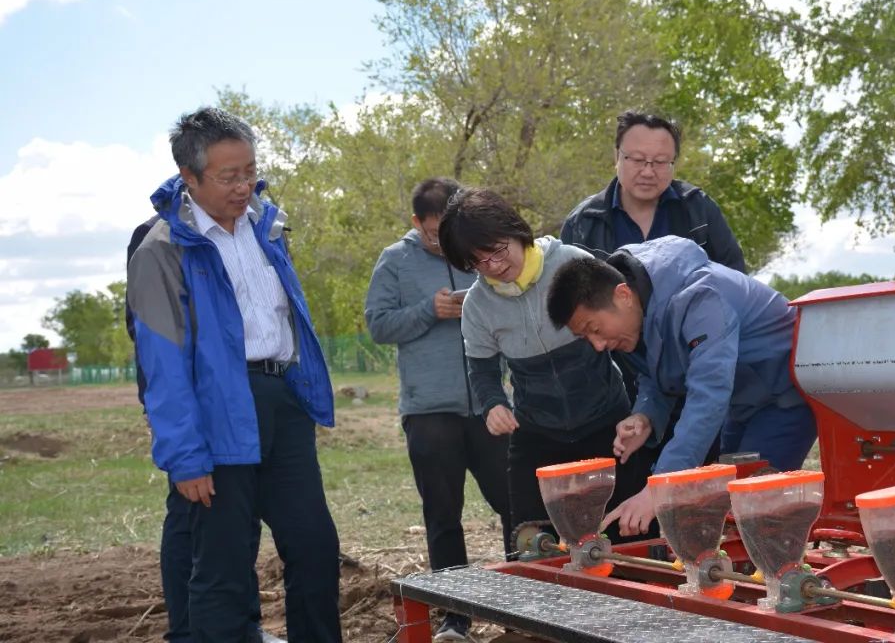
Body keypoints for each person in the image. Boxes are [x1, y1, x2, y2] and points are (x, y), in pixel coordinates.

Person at [128, 107, 341, 642]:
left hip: (280, 399)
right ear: (190, 178)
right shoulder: (162, 249)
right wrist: (185, 456)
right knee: (224, 567)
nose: (244, 185)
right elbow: (163, 366)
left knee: (314, 546)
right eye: (228, 176)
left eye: (249, 170)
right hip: (216, 411)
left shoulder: (267, 227)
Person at [546, 235, 818, 538]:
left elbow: (709, 392)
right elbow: (655, 373)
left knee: (754, 508)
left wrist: (660, 488)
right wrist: (645, 416)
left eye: (595, 330)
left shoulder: (700, 296)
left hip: (783, 397)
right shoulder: (642, 306)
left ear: (623, 295)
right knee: (726, 502)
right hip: (742, 404)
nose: (598, 345)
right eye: (587, 338)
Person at [438, 187, 649, 543]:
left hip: (606, 420)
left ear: (515, 230)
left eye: (497, 250)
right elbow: (482, 369)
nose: (494, 266)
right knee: (528, 540)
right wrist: (492, 404)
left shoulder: (572, 263)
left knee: (629, 532)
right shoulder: (477, 306)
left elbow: (626, 339)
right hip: (538, 430)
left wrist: (640, 411)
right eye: (478, 262)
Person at [365, 177, 512, 643]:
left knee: (516, 504)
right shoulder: (394, 261)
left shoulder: (482, 252)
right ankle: (455, 617)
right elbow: (378, 325)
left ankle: (522, 605)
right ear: (416, 224)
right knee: (443, 516)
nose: (442, 241)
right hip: (429, 411)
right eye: (433, 233)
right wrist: (429, 311)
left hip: (490, 406)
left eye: (449, 230)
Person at [125, 216, 280, 643]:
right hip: (189, 403)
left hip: (236, 398)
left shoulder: (246, 227)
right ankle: (189, 630)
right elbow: (150, 336)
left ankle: (242, 623)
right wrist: (172, 421)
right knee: (192, 517)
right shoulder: (157, 237)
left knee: (237, 516)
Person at [560, 110, 745, 271]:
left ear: (674, 162)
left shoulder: (699, 209)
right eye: (638, 159)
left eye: (660, 162)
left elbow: (735, 281)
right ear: (617, 156)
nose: (648, 172)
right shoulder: (582, 223)